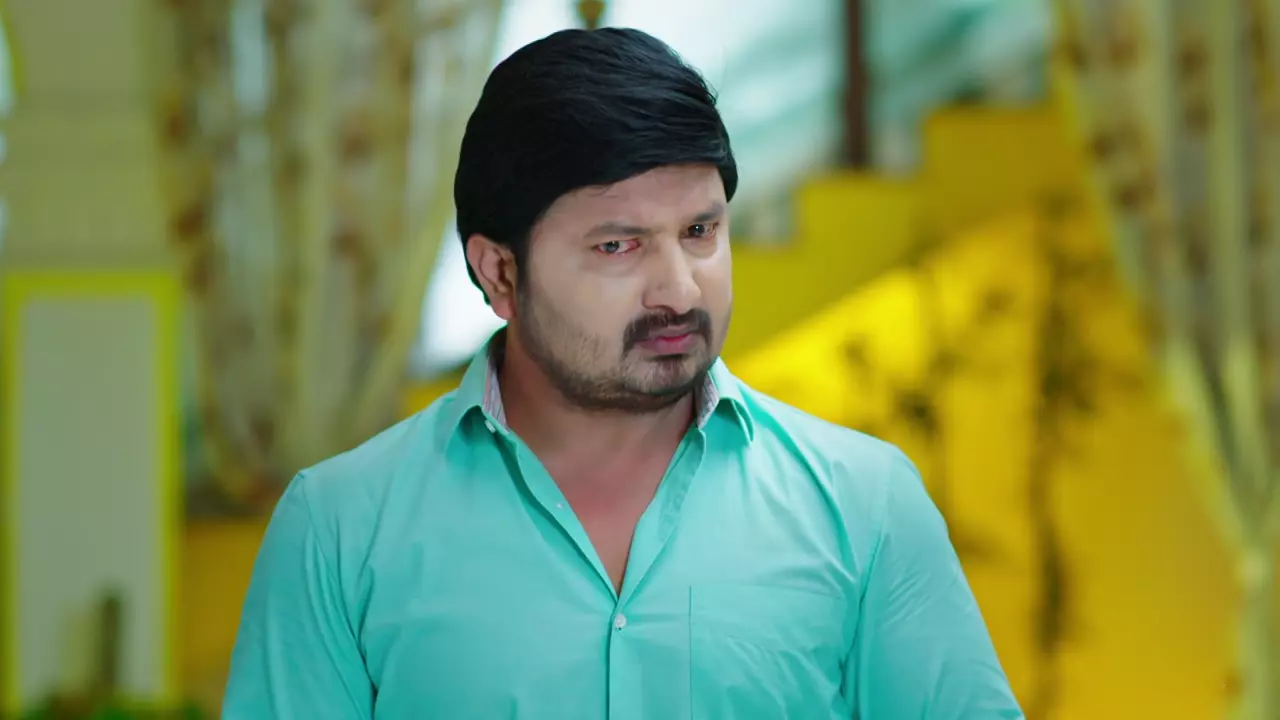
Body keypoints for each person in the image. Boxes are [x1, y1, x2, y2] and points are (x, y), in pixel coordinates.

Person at [222, 27, 1023, 719]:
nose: (679, 289)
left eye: (701, 232)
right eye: (618, 245)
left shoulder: (864, 506)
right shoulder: (339, 531)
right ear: (499, 272)